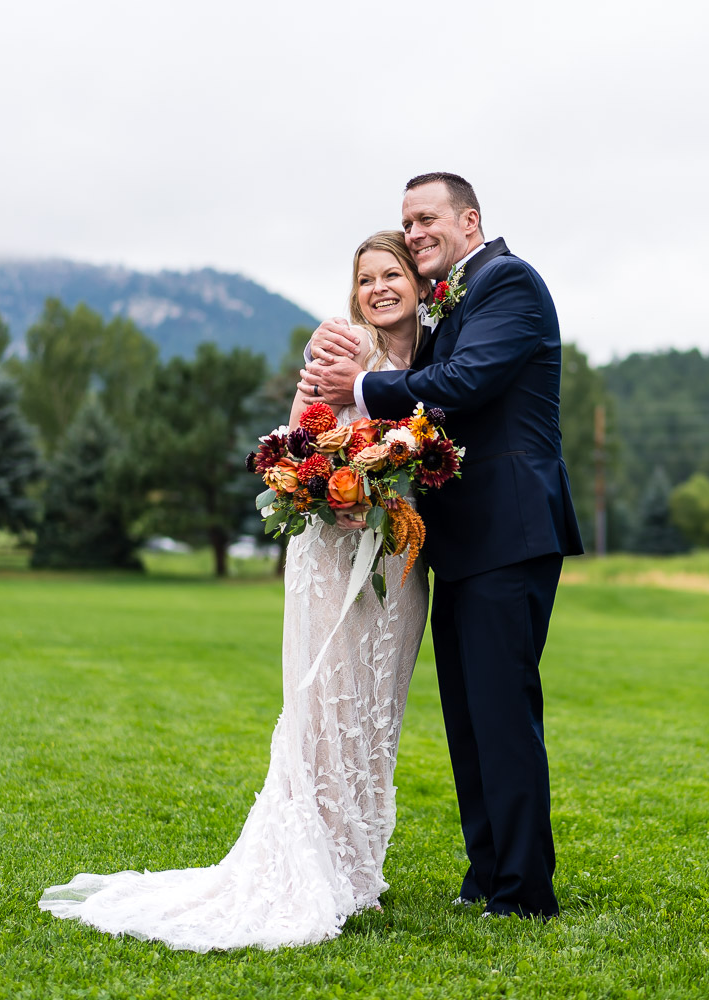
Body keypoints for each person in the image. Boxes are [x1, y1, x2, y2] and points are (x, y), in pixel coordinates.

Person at [38, 231, 431, 951]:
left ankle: (359, 869)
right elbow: (296, 439)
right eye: (366, 277)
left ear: (416, 280)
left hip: (398, 565)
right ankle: (320, 870)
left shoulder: (433, 355)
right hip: (334, 551)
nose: (379, 288)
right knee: (325, 709)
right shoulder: (341, 343)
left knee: (376, 714)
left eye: (392, 274)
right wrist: (324, 489)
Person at [302, 172, 582, 919]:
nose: (416, 231)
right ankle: (487, 874)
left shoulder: (508, 282)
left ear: (470, 219)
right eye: (406, 221)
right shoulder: (453, 298)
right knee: (468, 716)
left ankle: (524, 892)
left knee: (502, 712)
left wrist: (362, 386)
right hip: (462, 540)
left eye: (427, 219)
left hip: (509, 528)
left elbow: (462, 380)